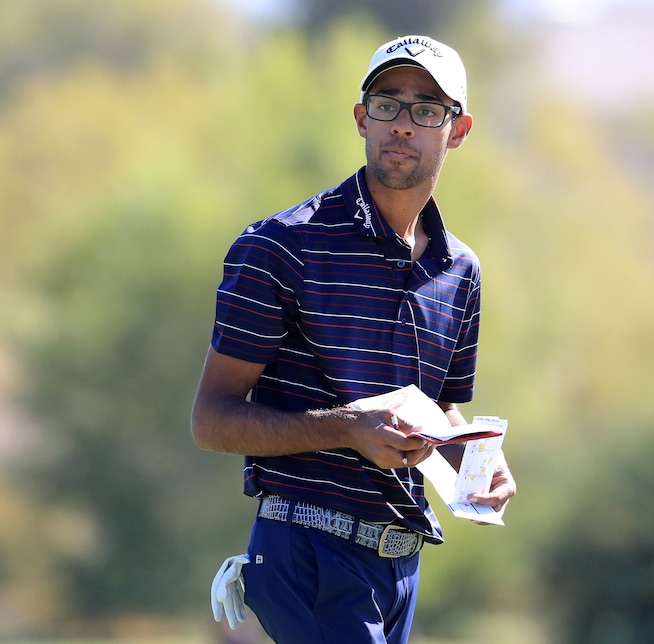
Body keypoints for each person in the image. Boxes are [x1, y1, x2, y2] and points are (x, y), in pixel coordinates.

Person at [191, 34, 516, 643]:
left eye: (427, 110)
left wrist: (475, 463)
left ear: (460, 129)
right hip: (306, 555)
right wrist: (345, 428)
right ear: (362, 118)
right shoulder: (281, 247)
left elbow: (438, 408)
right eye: (388, 104)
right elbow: (211, 419)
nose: (403, 124)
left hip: (400, 561)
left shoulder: (460, 271)